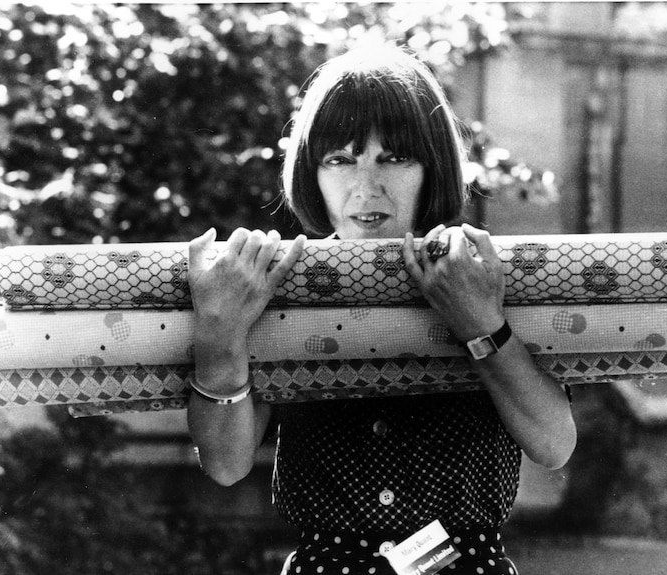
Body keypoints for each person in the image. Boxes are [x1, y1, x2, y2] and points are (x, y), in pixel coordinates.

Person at [186, 45, 576, 575]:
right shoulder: (276, 292)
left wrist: (482, 327)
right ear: (312, 173)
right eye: (340, 159)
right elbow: (227, 465)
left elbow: (553, 444)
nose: (365, 186)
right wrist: (220, 333)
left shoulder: (486, 278)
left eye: (394, 157)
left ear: (432, 167)